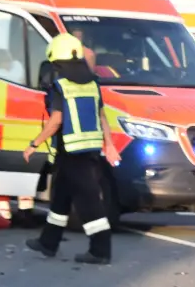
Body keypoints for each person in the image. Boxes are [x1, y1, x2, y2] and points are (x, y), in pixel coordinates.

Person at [23, 34, 121, 264]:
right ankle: (48, 242)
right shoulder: (93, 84)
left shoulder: (61, 86)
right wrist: (109, 145)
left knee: (89, 203)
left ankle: (100, 250)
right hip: (88, 150)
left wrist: (34, 144)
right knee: (61, 197)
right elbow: (102, 116)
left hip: (71, 152)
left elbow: (56, 120)